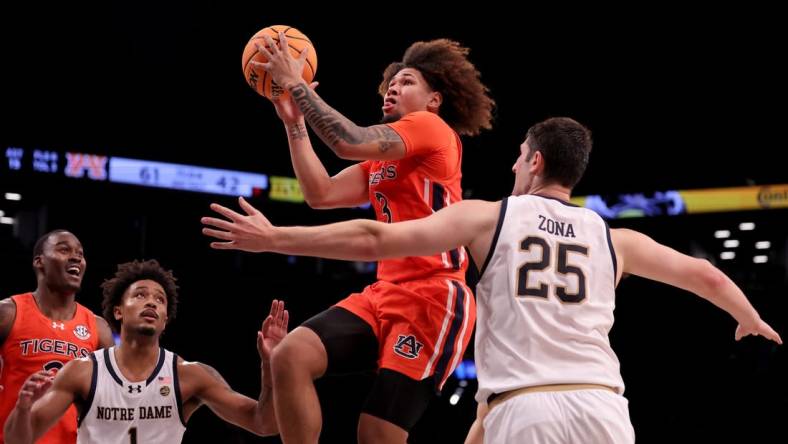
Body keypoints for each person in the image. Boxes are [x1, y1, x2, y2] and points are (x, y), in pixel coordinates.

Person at [202, 117, 783, 443]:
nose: (512, 165)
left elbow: (378, 239)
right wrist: (748, 317)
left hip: (526, 409)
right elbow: (704, 273)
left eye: (517, 157)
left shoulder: (490, 215)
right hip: (606, 411)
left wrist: (275, 237)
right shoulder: (614, 239)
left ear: (532, 161)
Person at [247, 34, 495, 443]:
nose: (394, 86)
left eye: (408, 81)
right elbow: (320, 194)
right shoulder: (386, 156)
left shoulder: (432, 128)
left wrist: (295, 82)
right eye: (392, 82)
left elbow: (347, 141)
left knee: (376, 432)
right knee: (290, 356)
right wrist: (294, 123)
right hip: (385, 291)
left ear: (434, 100)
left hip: (434, 297)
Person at [3, 259, 287, 443]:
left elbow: (263, 423)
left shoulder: (190, 376)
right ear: (118, 311)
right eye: (140, 295)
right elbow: (17, 440)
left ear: (165, 319)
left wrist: (271, 369)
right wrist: (24, 407)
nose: (151, 303)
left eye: (159, 300)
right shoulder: (83, 371)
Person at [0, 229, 115, 444]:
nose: (76, 257)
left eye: (80, 253)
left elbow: (111, 399)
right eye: (64, 249)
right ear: (39, 261)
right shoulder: (8, 313)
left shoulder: (98, 327)